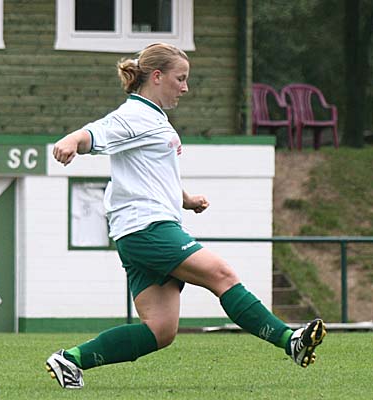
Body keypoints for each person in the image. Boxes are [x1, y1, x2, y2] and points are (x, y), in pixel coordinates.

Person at [45, 43, 326, 390]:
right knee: (221, 275)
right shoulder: (135, 114)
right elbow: (96, 132)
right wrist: (72, 140)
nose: (185, 87)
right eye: (180, 78)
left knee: (160, 329)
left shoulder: (153, 119)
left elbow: (151, 173)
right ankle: (289, 340)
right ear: (157, 76)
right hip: (148, 228)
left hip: (139, 230)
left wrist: (185, 199)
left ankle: (71, 359)